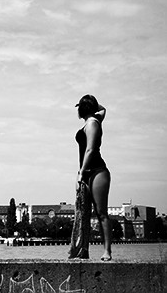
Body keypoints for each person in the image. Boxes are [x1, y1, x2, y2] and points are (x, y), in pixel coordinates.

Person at [69, 95, 112, 261]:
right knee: (83, 214)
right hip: (87, 172)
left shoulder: (93, 122)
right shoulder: (94, 119)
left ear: (82, 109)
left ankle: (107, 251)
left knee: (101, 213)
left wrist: (80, 172)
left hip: (97, 171)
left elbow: (90, 150)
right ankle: (82, 251)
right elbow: (103, 109)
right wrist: (90, 104)